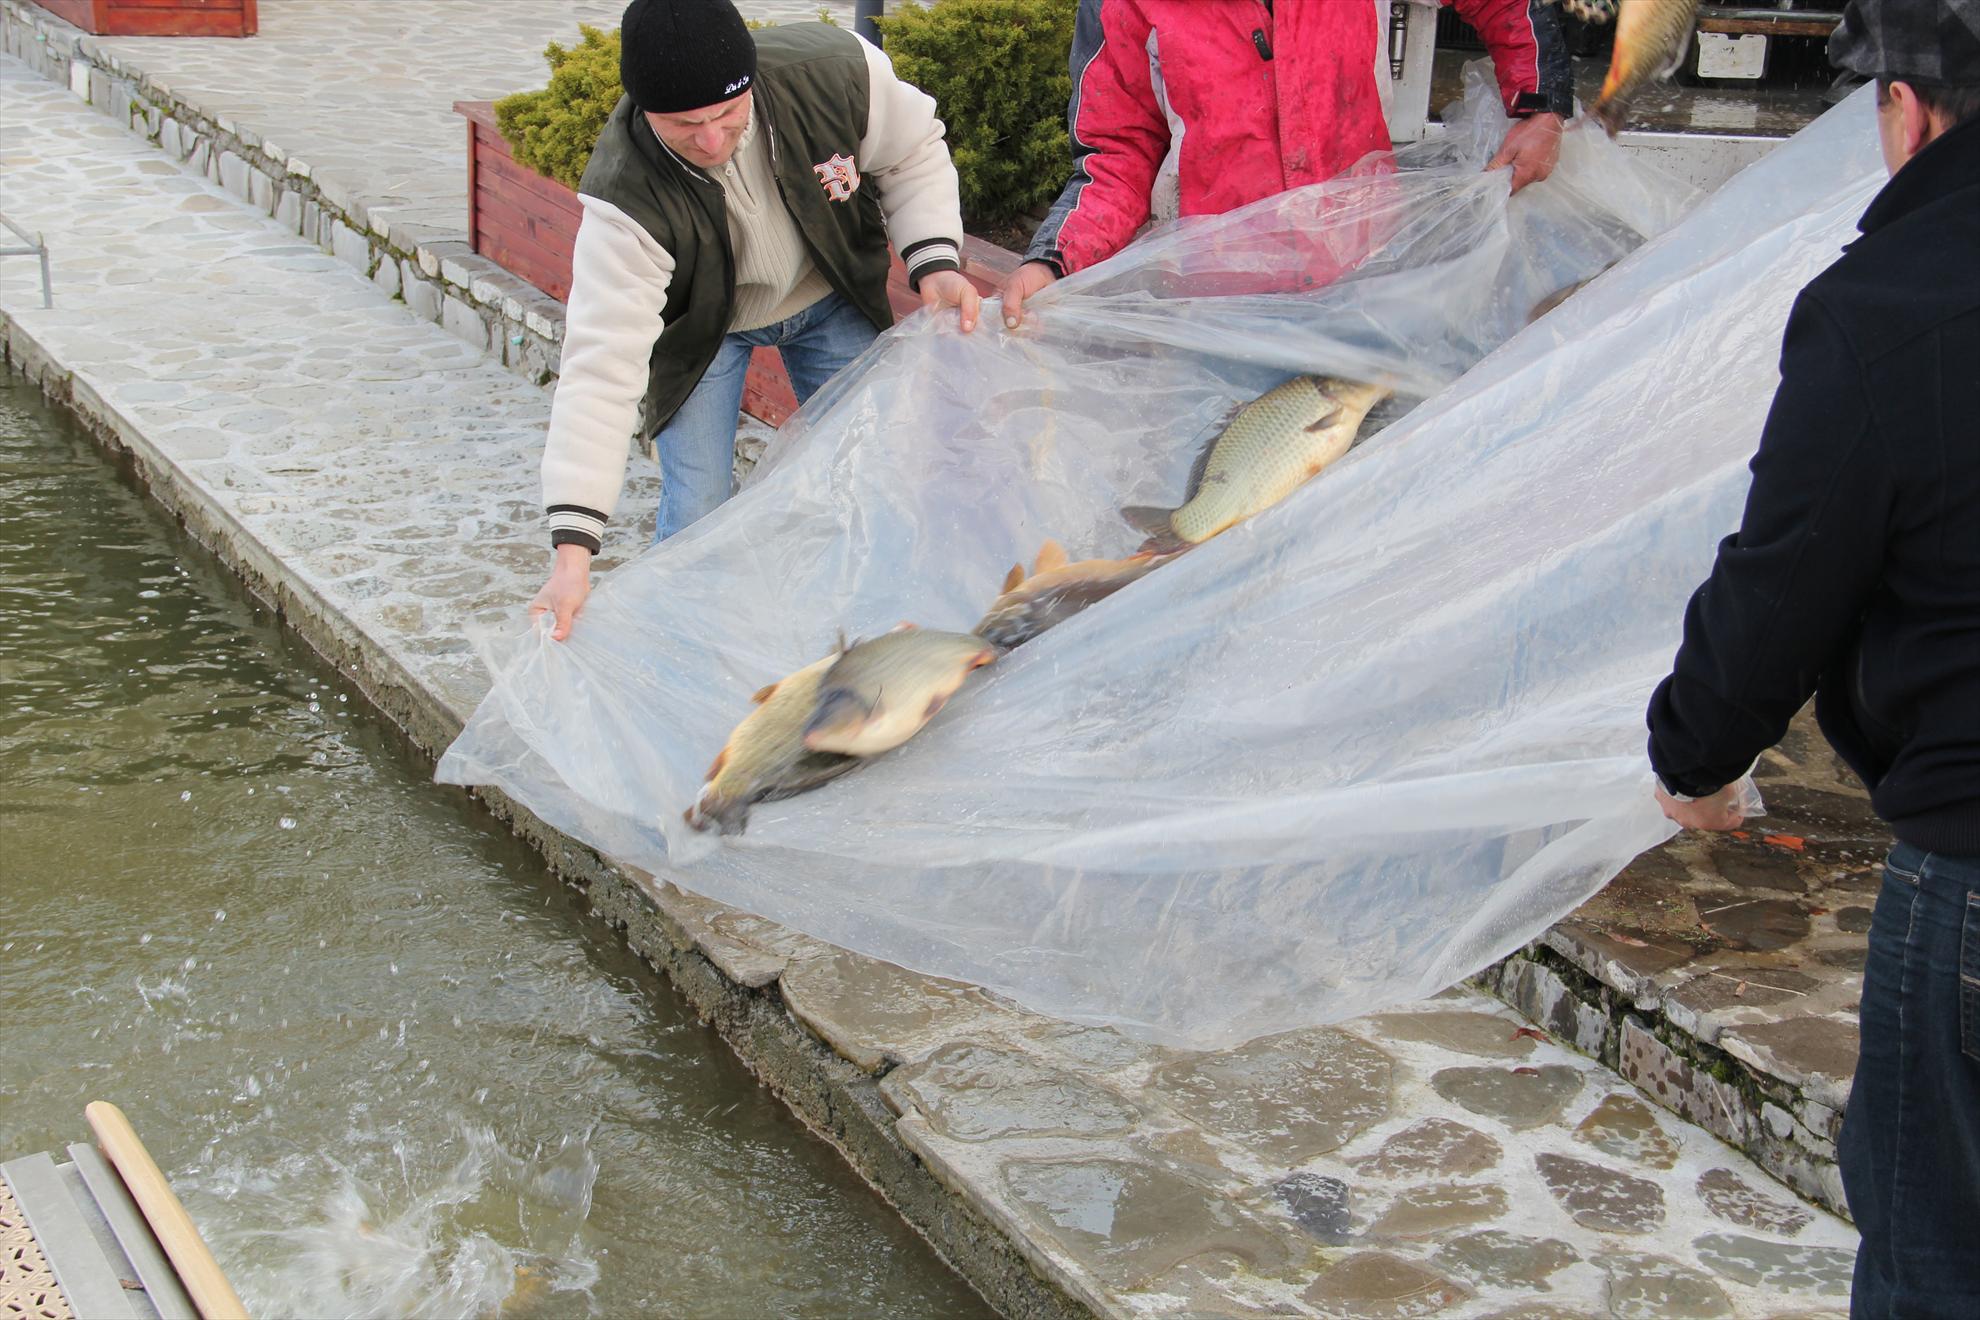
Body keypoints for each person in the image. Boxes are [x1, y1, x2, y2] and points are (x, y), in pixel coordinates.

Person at [1643, 2, 1980, 1314]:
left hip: (1971, 857)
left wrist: (1696, 753)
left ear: (1909, 107)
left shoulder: (1891, 302)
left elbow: (1786, 574)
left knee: (1938, 1257)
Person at [531, 0, 977, 641]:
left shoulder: (833, 73)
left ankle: (878, 643)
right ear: (644, 109)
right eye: (685, 125)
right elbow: (600, 372)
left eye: (726, 113)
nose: (712, 141)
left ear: (751, 81)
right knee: (698, 512)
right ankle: (684, 658)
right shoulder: (625, 196)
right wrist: (572, 557)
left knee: (875, 471)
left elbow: (912, 153)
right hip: (704, 329)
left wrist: (934, 261)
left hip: (827, 296)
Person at [1000, 0, 1576, 324]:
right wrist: (1053, 261)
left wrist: (1542, 105)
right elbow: (1118, 155)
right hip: (1220, 310)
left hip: (1370, 279)